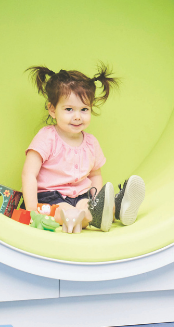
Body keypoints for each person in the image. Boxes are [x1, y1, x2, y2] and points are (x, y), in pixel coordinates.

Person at [21, 64, 145, 232]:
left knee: (87, 208)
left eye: (84, 109)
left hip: (81, 195)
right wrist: (32, 209)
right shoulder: (47, 137)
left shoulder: (91, 142)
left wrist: (97, 199)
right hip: (51, 197)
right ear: (52, 109)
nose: (77, 116)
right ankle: (103, 213)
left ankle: (112, 207)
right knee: (66, 211)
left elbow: (95, 174)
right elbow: (29, 174)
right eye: (69, 109)